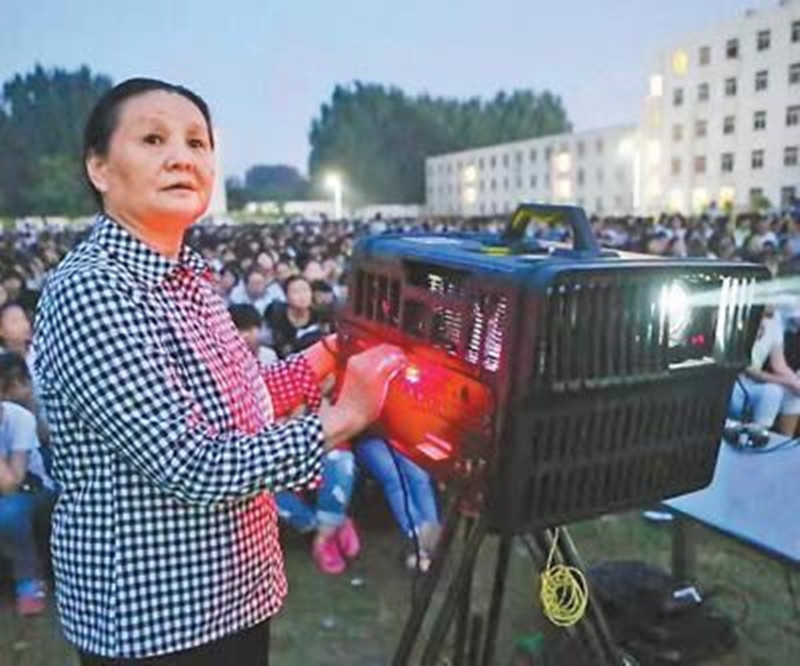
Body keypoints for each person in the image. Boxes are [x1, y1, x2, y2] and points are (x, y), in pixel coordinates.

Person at [33, 78, 405, 665]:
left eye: (197, 142)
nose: (182, 157)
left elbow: (239, 402)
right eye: (153, 139)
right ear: (99, 168)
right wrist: (346, 416)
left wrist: (332, 353)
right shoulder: (94, 289)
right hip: (158, 619)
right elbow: (193, 462)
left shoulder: (187, 278)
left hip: (233, 594)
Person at [0, 351, 56, 616]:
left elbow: (12, 482)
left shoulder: (20, 418)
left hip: (34, 490)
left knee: (8, 513)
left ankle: (29, 583)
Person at [354, 436, 440, 572]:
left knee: (420, 476)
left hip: (402, 438)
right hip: (369, 438)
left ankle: (432, 538)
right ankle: (416, 538)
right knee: (395, 478)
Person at [729, 305, 800, 436]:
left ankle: (767, 437)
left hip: (753, 384)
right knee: (775, 390)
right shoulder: (741, 316)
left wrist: (795, 383)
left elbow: (779, 365)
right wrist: (788, 382)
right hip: (733, 383)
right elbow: (748, 369)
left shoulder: (775, 319)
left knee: (779, 392)